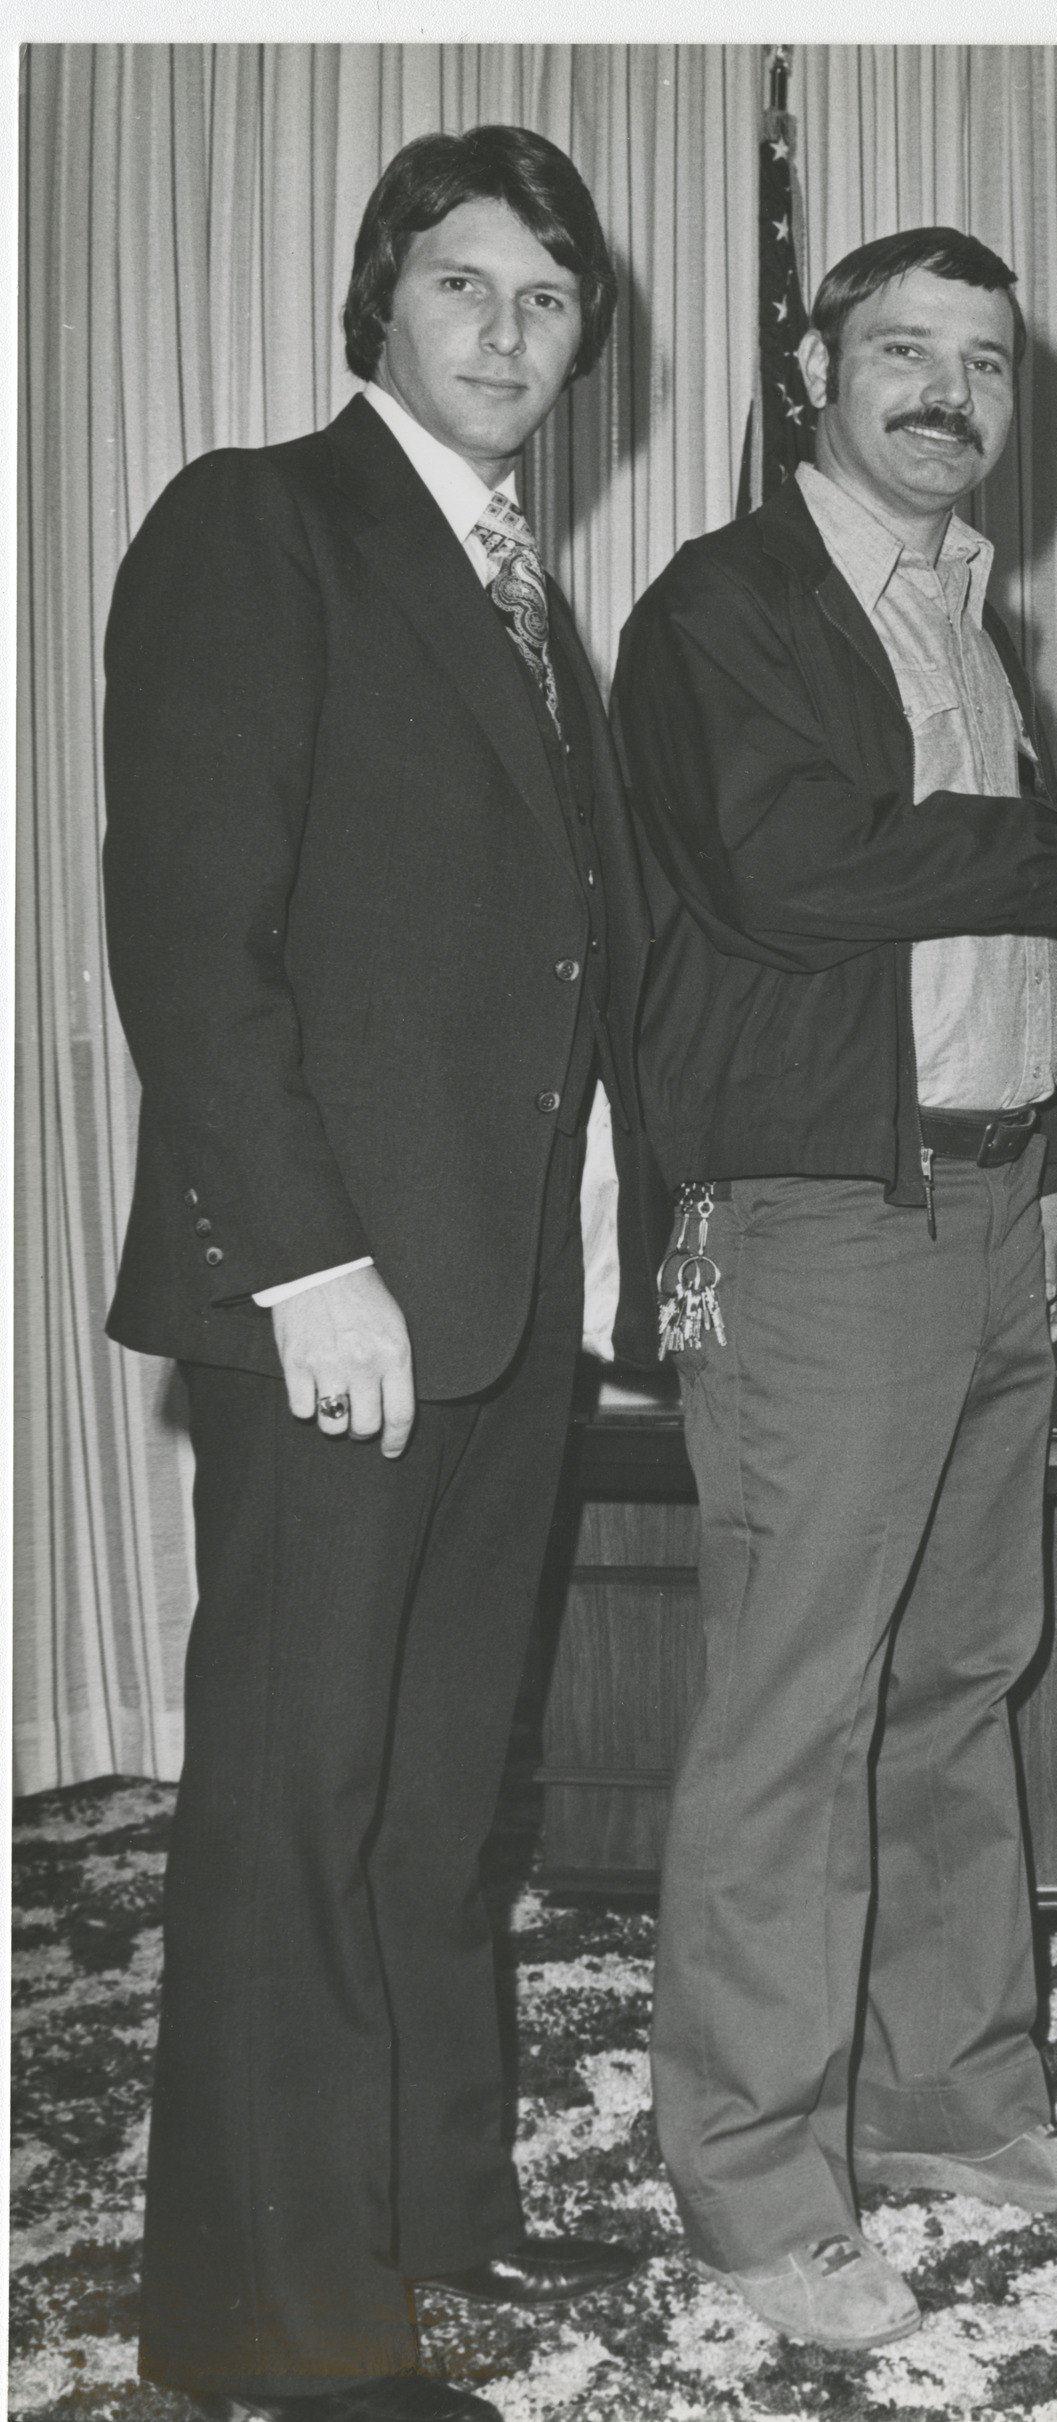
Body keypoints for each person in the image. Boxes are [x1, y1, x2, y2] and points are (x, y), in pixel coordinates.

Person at [104, 126, 658, 2422]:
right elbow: (192, 947)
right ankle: (275, 2318)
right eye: (464, 286)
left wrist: (603, 1224)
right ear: (381, 304)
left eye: (545, 299)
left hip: (500, 1299)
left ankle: (434, 2205)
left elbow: (550, 965)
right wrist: (309, 1260)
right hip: (336, 1297)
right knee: (297, 1794)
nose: (508, 331)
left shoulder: (540, 601)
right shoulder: (264, 520)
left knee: (444, 1789)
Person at [612, 227, 1057, 2349]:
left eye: (983, 365)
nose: (946, 392)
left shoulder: (957, 605)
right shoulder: (728, 604)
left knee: (956, 1678)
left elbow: (995, 943)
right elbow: (797, 868)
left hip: (983, 1202)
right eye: (903, 353)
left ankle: (947, 2097)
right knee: (798, 1707)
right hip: (818, 1222)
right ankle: (758, 2184)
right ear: (810, 368)